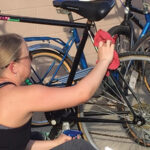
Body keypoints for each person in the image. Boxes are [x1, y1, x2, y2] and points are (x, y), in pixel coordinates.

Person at [0, 33, 114, 150]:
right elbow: (81, 94)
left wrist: (55, 143)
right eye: (28, 55)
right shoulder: (19, 96)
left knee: (37, 136)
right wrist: (104, 61)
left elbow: (18, 144)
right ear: (13, 67)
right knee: (78, 146)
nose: (31, 58)